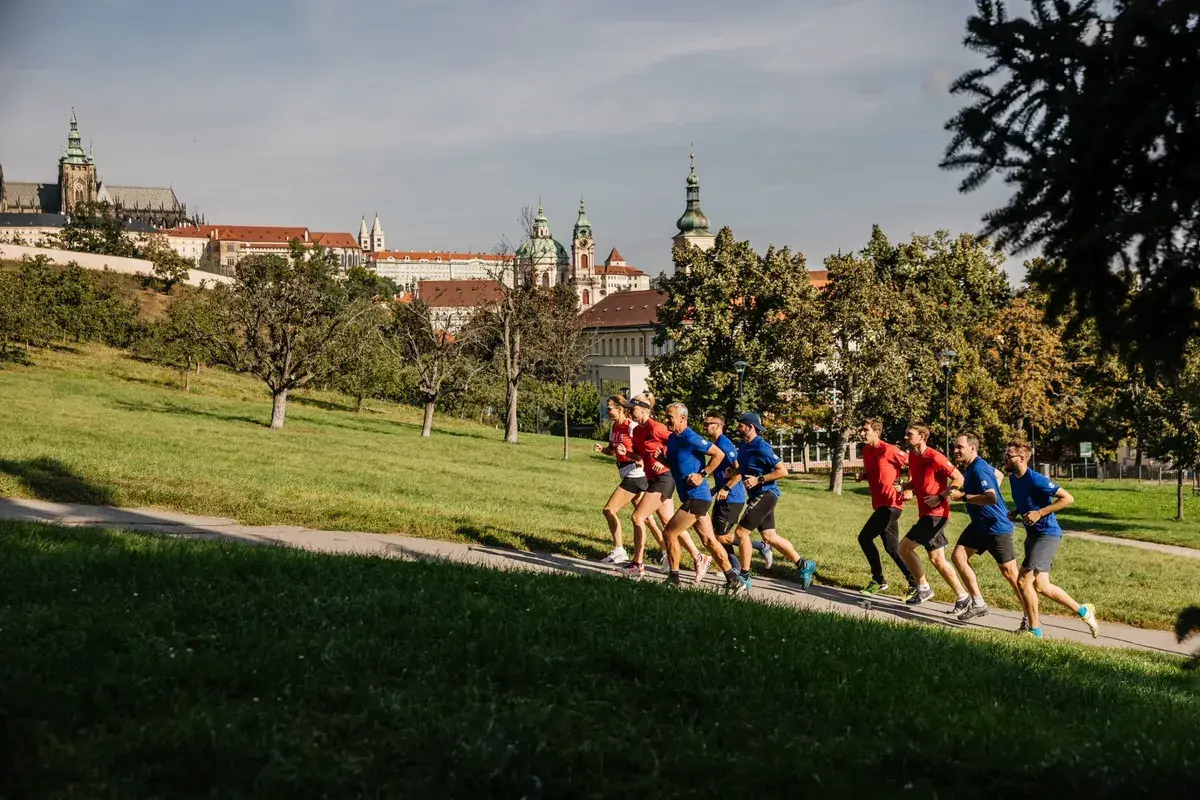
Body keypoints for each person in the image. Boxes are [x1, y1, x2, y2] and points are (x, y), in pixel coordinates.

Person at [1005, 440, 1099, 639]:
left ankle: (1035, 631)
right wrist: (1016, 511)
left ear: (1021, 459)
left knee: (1023, 581)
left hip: (1047, 535)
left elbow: (1068, 498)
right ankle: (1084, 611)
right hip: (1034, 535)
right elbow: (1027, 501)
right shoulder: (1014, 478)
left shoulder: (1036, 479)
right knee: (1041, 586)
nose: (1005, 459)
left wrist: (1040, 513)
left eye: (1009, 456)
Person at [655, 402, 747, 592]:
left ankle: (674, 579)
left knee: (669, 533)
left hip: (697, 497)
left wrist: (702, 475)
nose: (666, 420)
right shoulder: (673, 438)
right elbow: (679, 466)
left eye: (670, 417)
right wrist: (663, 460)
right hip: (690, 496)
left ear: (683, 418)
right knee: (709, 541)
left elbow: (718, 454)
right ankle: (734, 580)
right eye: (666, 416)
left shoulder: (691, 437)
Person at [619, 393, 710, 581]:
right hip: (652, 478)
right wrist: (626, 453)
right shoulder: (637, 432)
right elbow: (640, 457)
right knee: (670, 523)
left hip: (665, 478)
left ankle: (638, 564)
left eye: (632, 409)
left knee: (638, 517)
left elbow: (678, 447)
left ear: (644, 410)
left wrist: (666, 464)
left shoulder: (657, 427)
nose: (629, 412)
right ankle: (698, 556)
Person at [722, 412, 818, 590]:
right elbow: (745, 466)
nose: (738, 428)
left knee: (742, 534)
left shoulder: (761, 446)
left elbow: (782, 471)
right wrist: (733, 472)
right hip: (759, 496)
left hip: (766, 494)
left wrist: (758, 480)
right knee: (769, 537)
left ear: (750, 427)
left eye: (741, 425)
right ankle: (804, 565)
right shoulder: (743, 445)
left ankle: (744, 576)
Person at [947, 433, 1022, 621]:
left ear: (972, 448)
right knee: (958, 557)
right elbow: (999, 475)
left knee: (1010, 573)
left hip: (996, 525)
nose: (955, 450)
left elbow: (991, 497)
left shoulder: (979, 468)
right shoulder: (974, 466)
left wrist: (964, 497)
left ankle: (1030, 615)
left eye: (959, 447)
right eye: (955, 447)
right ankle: (978, 603)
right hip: (979, 525)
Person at [897, 421, 970, 606]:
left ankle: (924, 588)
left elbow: (959, 478)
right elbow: (919, 483)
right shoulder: (913, 457)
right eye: (906, 434)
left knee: (904, 548)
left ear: (922, 436)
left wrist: (941, 496)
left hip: (936, 515)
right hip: (926, 514)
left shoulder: (935, 457)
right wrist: (905, 486)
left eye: (909, 434)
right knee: (937, 559)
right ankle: (963, 596)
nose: (906, 437)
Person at [703, 412, 772, 575]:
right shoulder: (716, 443)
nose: (704, 426)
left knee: (720, 537)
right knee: (719, 534)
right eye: (704, 423)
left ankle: (761, 546)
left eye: (707, 423)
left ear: (718, 426)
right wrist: (715, 489)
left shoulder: (724, 443)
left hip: (733, 497)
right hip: (723, 495)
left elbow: (740, 470)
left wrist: (726, 488)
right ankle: (734, 567)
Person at [592, 394, 657, 564]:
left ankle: (620, 550)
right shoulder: (614, 427)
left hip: (635, 474)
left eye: (609, 408)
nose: (607, 412)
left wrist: (632, 457)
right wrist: (602, 450)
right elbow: (612, 451)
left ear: (620, 409)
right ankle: (666, 552)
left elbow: (642, 454)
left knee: (609, 509)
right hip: (625, 472)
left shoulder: (632, 427)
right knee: (647, 518)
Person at [855, 418, 917, 596]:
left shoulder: (889, 450)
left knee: (864, 538)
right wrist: (863, 476)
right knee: (893, 548)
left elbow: (911, 462)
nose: (862, 433)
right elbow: (878, 474)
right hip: (880, 504)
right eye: (862, 430)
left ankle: (878, 579)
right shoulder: (867, 451)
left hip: (892, 505)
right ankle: (915, 582)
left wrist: (909, 488)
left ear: (877, 432)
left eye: (865, 430)